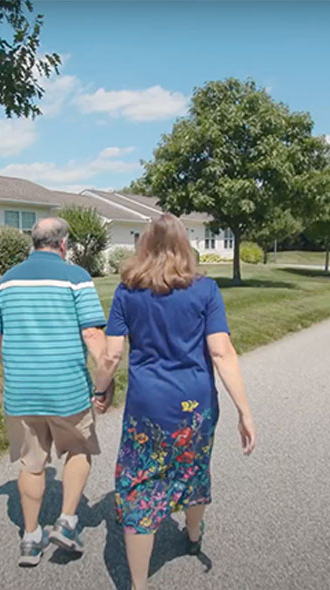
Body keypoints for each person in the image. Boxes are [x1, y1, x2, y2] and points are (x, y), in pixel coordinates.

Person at [92, 214, 256, 590]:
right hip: (195, 405)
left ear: (143, 245)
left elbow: (111, 356)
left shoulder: (127, 292)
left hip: (148, 406)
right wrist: (244, 411)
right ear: (185, 246)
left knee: (141, 485)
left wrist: (101, 390)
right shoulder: (205, 290)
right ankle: (193, 533)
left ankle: (138, 583)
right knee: (193, 466)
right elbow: (221, 352)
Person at [0, 217, 110, 567]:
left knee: (32, 463)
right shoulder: (76, 278)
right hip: (66, 389)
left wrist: (11, 373)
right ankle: (67, 522)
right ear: (63, 244)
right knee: (79, 448)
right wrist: (106, 378)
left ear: (33, 242)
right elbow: (92, 335)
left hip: (22, 391)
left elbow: (0, 336)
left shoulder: (6, 282)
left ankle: (30, 537)